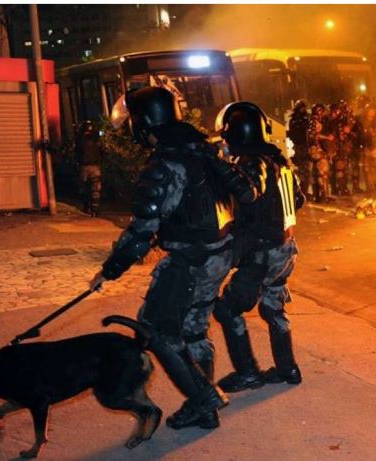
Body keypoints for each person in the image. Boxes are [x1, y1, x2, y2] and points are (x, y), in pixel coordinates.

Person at [89, 87, 259, 430]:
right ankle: (204, 411)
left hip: (189, 261)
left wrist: (110, 269)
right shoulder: (202, 150)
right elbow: (246, 193)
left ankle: (203, 397)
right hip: (219, 254)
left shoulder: (166, 163)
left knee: (155, 330)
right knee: (194, 329)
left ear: (144, 122)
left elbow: (143, 228)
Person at [211, 101, 305, 393]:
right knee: (273, 308)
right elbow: (298, 200)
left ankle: (248, 373)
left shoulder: (252, 163)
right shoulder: (279, 161)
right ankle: (288, 369)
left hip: (263, 254)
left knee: (227, 310)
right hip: (286, 248)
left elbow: (250, 193)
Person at [74, 121, 103, 216]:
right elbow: (103, 152)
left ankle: (87, 207)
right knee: (95, 190)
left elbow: (77, 153)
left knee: (83, 189)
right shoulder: (96, 139)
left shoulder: (80, 139)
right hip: (95, 167)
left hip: (84, 167)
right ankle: (94, 210)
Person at [308, 103, 333, 202]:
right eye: (322, 111)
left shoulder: (315, 121)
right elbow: (313, 135)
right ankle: (322, 196)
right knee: (322, 172)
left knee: (318, 173)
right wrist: (327, 138)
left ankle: (320, 196)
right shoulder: (314, 122)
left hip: (315, 150)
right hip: (316, 150)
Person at [286, 99, 312, 196]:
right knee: (304, 171)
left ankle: (303, 191)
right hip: (301, 147)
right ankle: (302, 192)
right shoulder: (299, 120)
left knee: (304, 170)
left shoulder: (299, 120)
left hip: (301, 147)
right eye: (302, 108)